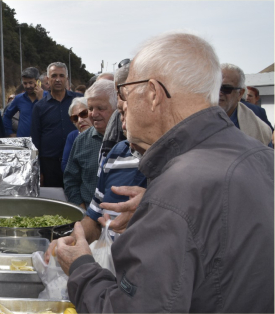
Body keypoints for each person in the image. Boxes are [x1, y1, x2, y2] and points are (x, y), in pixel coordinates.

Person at [49, 32, 273, 312]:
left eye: (125, 94)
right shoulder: (263, 158)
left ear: (153, 93)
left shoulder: (178, 189)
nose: (122, 108)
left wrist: (81, 267)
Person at [80, 63, 147, 243]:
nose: (122, 125)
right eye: (120, 114)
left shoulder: (179, 161)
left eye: (126, 113)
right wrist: (73, 243)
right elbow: (94, 217)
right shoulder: (116, 153)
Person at [63, 79, 116, 209]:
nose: (94, 114)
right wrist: (82, 210)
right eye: (91, 108)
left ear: (116, 107)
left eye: (100, 108)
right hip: (90, 217)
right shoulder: (81, 141)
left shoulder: (131, 138)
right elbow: (70, 180)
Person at [31, 62, 81, 187]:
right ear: (48, 79)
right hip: (50, 166)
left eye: (61, 76)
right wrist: (39, 171)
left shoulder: (78, 101)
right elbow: (35, 140)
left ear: (67, 79)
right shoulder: (39, 106)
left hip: (77, 161)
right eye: (54, 76)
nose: (58, 79)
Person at [218, 63, 272, 145]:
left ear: (240, 94)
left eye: (226, 88)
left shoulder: (260, 130)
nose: (219, 93)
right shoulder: (195, 116)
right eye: (214, 87)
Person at [3, 67, 45, 137]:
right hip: (23, 142)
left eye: (31, 83)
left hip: (42, 141)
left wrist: (41, 99)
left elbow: (50, 118)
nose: (28, 86)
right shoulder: (19, 99)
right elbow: (7, 116)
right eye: (25, 83)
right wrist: (10, 133)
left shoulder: (47, 97)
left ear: (38, 82)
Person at [60, 97, 91, 172]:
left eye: (83, 114)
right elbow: (65, 166)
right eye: (75, 118)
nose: (80, 120)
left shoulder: (103, 133)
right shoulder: (72, 137)